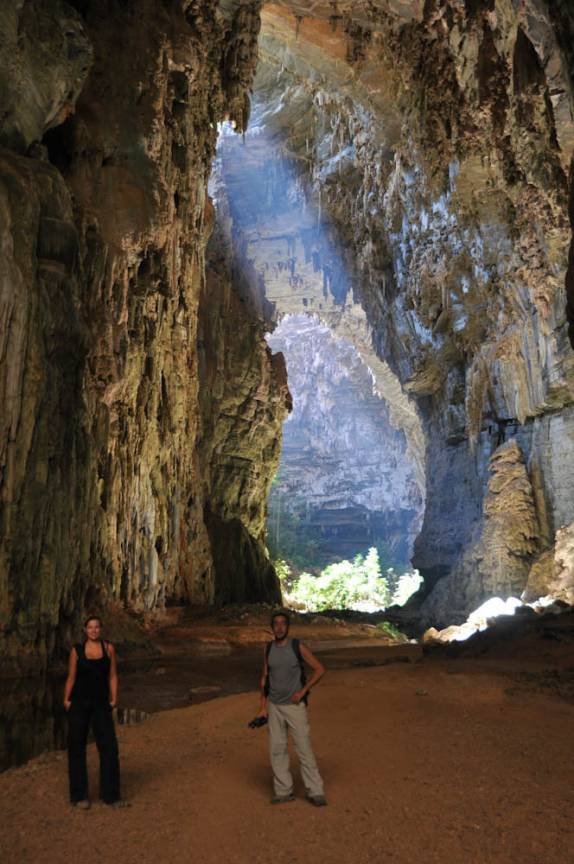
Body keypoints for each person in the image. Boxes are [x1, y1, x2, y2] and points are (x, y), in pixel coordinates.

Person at [256, 610, 327, 806]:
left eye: (283, 624)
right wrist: (263, 707)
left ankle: (315, 791)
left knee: (303, 748)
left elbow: (320, 669)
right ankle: (283, 791)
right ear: (272, 628)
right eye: (276, 624)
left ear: (287, 627)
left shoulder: (298, 647)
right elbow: (265, 679)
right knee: (277, 750)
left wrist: (303, 690)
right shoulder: (268, 649)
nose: (279, 627)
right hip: (275, 706)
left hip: (295, 707)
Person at [63, 615, 124, 808]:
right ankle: (80, 796)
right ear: (85, 630)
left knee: (109, 748)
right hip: (79, 703)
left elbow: (113, 675)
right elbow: (71, 677)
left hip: (100, 704)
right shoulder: (77, 651)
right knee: (77, 747)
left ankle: (110, 796)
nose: (94, 630)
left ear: (101, 629)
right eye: (90, 627)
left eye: (97, 627)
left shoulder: (109, 649)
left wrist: (114, 699)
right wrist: (66, 700)